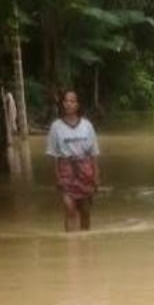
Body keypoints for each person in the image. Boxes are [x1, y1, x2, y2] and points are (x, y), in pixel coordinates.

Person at [46, 90, 101, 232]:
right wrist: (57, 177)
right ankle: (70, 246)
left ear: (77, 105)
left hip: (85, 170)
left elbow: (94, 153)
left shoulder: (87, 125)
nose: (68, 104)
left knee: (85, 211)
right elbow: (53, 155)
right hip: (66, 171)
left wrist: (96, 176)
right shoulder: (56, 127)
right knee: (69, 209)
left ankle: (85, 244)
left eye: (72, 101)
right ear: (62, 104)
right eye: (66, 101)